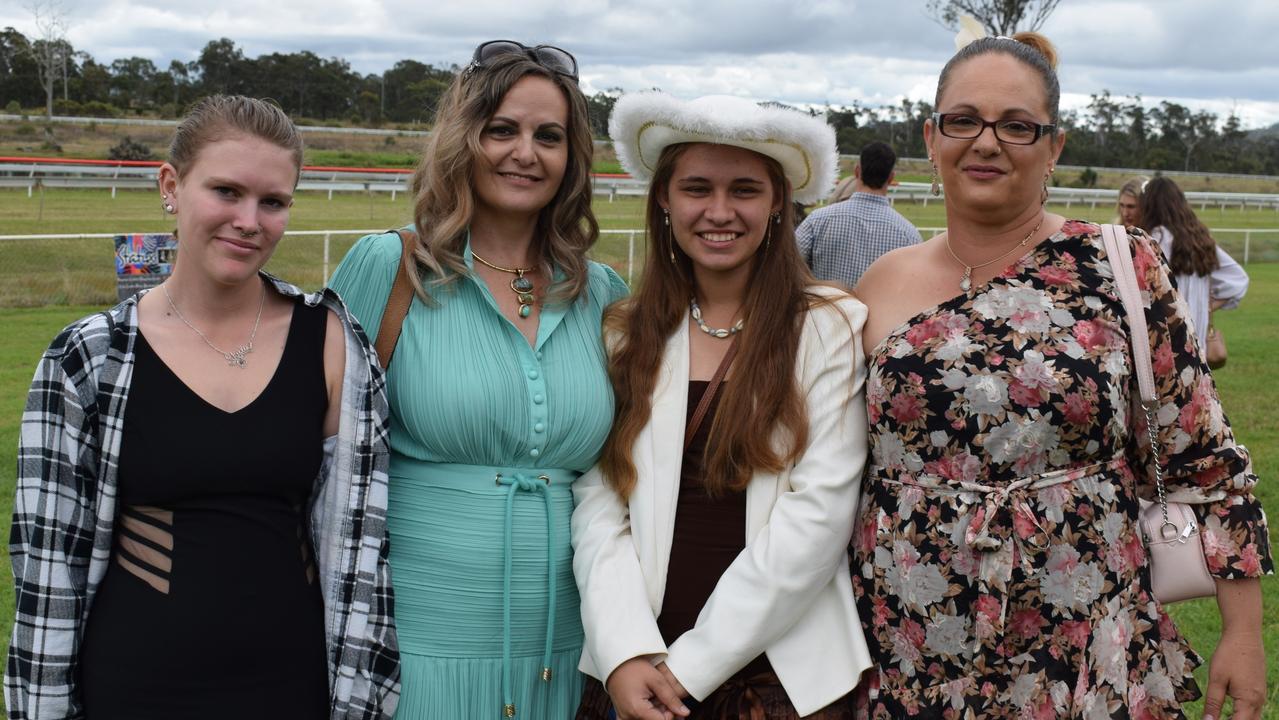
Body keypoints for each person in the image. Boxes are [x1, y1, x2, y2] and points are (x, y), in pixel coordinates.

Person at [851, 31, 1270, 719]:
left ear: (1053, 146)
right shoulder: (877, 285)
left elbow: (1204, 459)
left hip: (1082, 640)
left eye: (1016, 126)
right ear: (930, 137)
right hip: (907, 639)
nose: (986, 143)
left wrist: (1244, 637)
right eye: (963, 121)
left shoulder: (1117, 265)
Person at [7, 95, 399, 719]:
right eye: (226, 191)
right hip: (137, 685)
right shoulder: (89, 356)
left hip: (290, 684)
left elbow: (358, 544)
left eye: (272, 202)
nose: (249, 220)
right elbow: (47, 565)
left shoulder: (332, 343)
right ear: (171, 185)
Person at [326, 41, 627, 719]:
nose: (525, 152)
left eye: (548, 136)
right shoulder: (388, 268)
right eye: (502, 129)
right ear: (464, 139)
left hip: (570, 648)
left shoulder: (603, 293)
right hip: (412, 648)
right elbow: (302, 448)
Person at [573, 92, 871, 720]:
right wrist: (625, 652)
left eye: (744, 190)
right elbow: (600, 503)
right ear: (664, 198)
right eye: (697, 188)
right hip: (637, 670)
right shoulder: (624, 331)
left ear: (778, 204)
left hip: (777, 679)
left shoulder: (828, 326)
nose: (718, 211)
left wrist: (692, 667)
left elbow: (817, 516)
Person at [1141, 175, 1248, 352]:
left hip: (1165, 343)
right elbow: (1238, 279)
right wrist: (1206, 308)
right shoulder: (1199, 238)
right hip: (1197, 346)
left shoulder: (1153, 238)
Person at [797, 141, 923, 288]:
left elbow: (787, 264)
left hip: (824, 309)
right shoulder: (909, 235)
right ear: (890, 178)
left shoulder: (817, 220)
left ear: (857, 172)